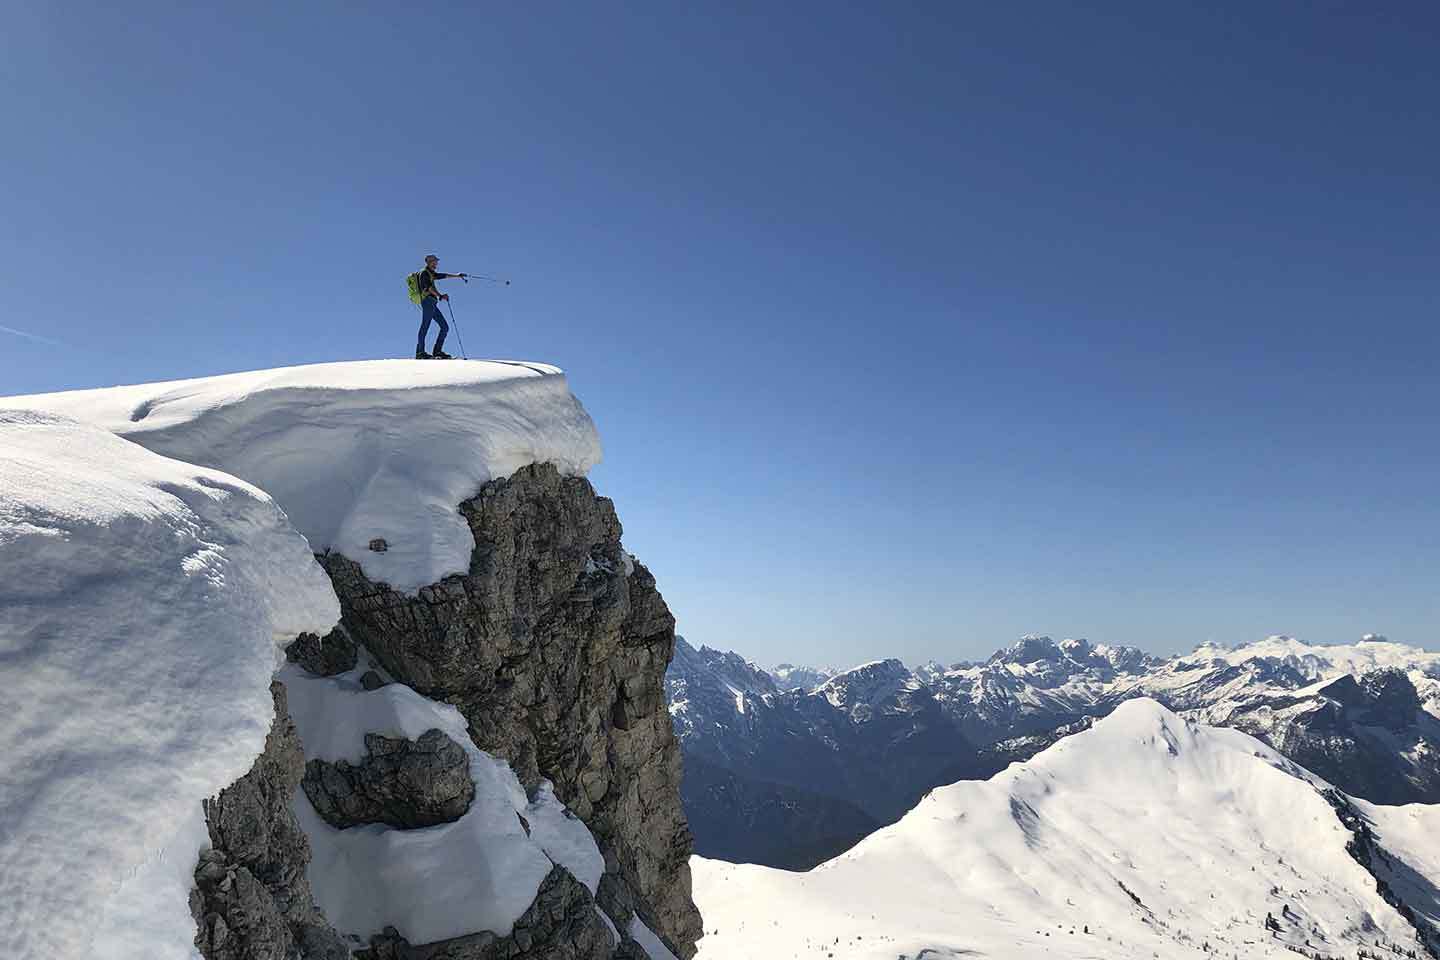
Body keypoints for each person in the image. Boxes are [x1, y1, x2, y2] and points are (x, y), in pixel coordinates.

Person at [415, 255, 467, 359]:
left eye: (436, 262)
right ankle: (420, 352)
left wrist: (457, 276)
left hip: (433, 303)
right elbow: (428, 288)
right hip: (427, 302)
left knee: (444, 327)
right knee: (425, 326)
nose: (436, 264)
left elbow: (442, 276)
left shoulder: (431, 274)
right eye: (434, 262)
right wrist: (440, 295)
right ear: (429, 262)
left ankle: (437, 351)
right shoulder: (424, 273)